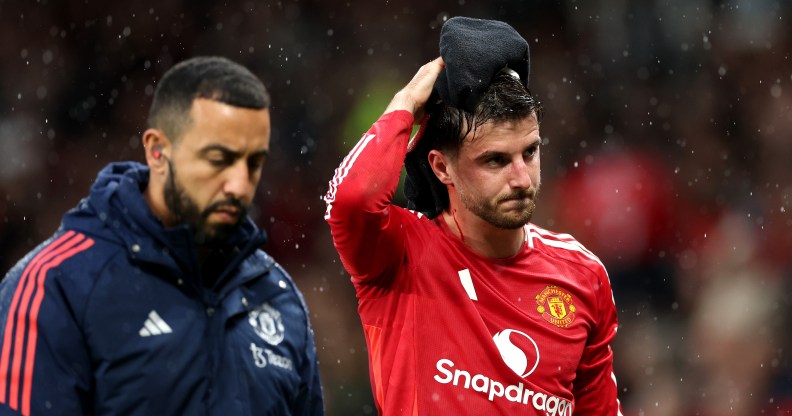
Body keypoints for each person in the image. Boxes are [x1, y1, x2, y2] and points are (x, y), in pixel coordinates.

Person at [324, 17, 621, 415]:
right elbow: (351, 199)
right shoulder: (398, 254)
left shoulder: (583, 276)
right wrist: (407, 104)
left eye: (529, 153)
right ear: (441, 167)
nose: (521, 178)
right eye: (496, 160)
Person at [0, 56, 324, 415]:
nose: (240, 184)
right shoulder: (57, 285)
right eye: (219, 159)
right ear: (157, 152)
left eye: (254, 163)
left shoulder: (279, 297)